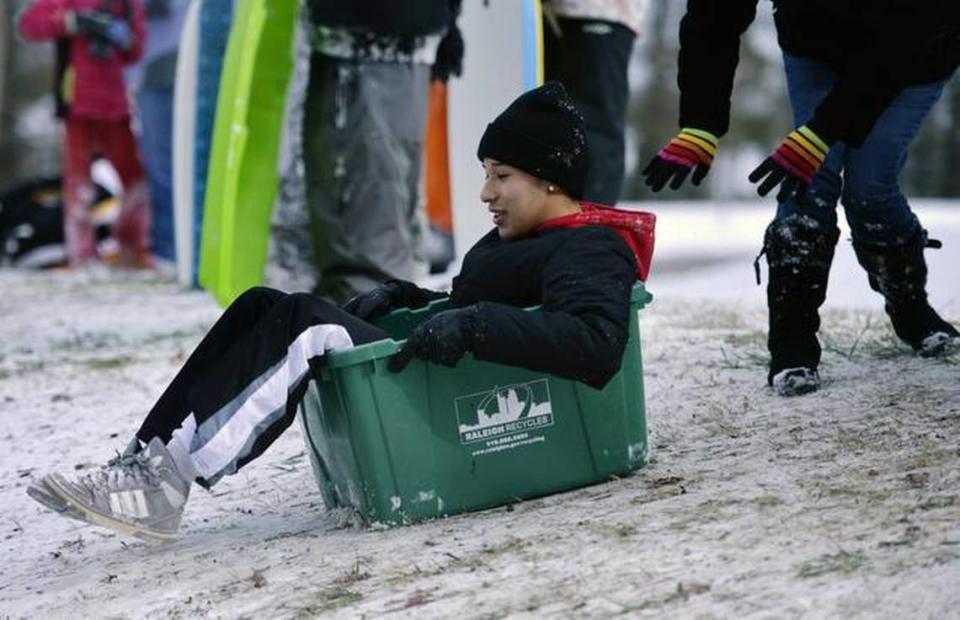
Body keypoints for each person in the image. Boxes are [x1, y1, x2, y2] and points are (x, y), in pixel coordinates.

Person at [26, 82, 655, 542]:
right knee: (264, 305)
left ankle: (167, 485)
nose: (486, 192)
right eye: (486, 173)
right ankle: (147, 458)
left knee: (308, 320)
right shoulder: (518, 240)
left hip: (475, 393)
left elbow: (595, 343)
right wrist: (421, 300)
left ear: (550, 179)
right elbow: (501, 302)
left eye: (502, 174)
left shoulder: (590, 246)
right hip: (452, 364)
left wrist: (474, 323)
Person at [642, 0, 960, 396]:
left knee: (869, 184)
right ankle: (791, 342)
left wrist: (825, 128)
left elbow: (913, 28)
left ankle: (910, 305)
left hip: (914, 52)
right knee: (811, 176)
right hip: (816, 45)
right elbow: (713, 15)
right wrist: (701, 123)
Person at [302, 0, 464, 303]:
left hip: (367, 36)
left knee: (368, 210)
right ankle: (386, 305)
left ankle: (373, 316)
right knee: (389, 195)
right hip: (400, 34)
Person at [18, 0, 152, 268]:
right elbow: (29, 24)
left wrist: (122, 36)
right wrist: (72, 22)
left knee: (135, 180)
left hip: (116, 105)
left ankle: (133, 249)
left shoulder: (126, 4)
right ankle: (82, 256)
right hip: (76, 102)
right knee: (79, 185)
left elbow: (135, 51)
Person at [542, 0, 647, 205]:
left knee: (590, 129)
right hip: (544, 13)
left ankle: (590, 227)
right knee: (544, 127)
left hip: (598, 11)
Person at [127, 0, 189, 266]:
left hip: (167, 65)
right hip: (151, 70)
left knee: (164, 164)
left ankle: (170, 249)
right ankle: (168, 248)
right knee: (160, 163)